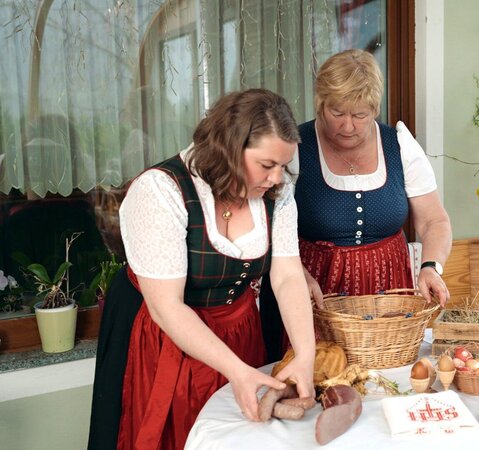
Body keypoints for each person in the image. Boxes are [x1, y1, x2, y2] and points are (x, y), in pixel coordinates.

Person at [88, 89, 316, 449]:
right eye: (266, 165)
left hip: (239, 330)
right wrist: (236, 370)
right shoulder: (161, 190)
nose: (276, 177)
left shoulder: (277, 190)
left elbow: (287, 275)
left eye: (283, 166)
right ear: (229, 150)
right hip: (165, 337)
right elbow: (167, 306)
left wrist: (305, 354)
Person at [260, 49, 452, 362]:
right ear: (321, 103)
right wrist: (296, 274)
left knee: (387, 378)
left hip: (388, 294)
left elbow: (434, 221)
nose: (348, 126)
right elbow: (266, 226)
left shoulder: (399, 144)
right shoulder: (294, 148)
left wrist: (431, 266)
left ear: (375, 109)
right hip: (316, 293)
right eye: (337, 112)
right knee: (322, 373)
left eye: (360, 115)